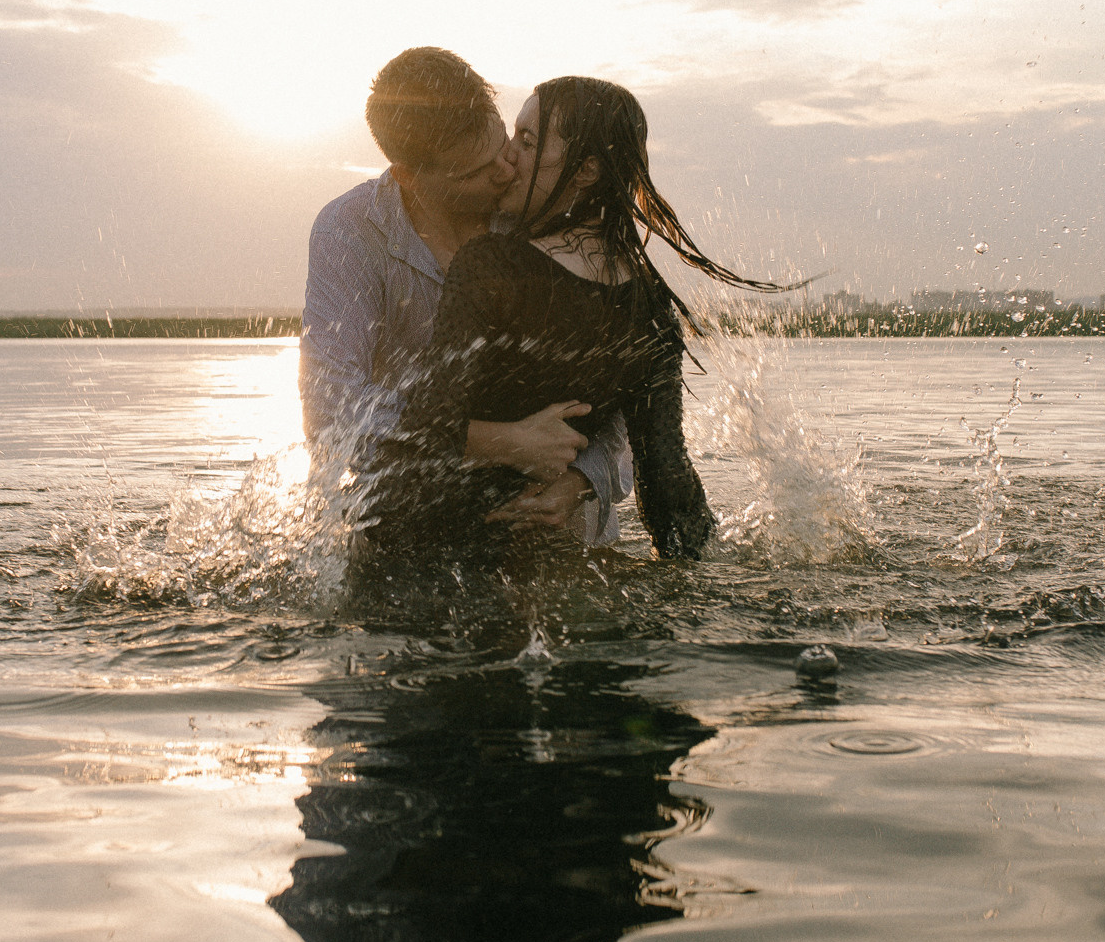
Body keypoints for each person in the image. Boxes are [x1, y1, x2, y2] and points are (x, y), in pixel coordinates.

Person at [353, 74, 795, 572]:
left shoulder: (491, 266)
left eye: (527, 141)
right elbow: (671, 490)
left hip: (421, 557)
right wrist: (699, 577)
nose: (508, 158)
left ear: (585, 171)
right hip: (543, 561)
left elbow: (424, 426)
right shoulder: (650, 308)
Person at [300, 48, 630, 537]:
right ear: (409, 174)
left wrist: (579, 483)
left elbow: (623, 403)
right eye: (476, 170)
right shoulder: (349, 232)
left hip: (554, 519)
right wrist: (499, 442)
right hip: (407, 521)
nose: (505, 170)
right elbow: (332, 412)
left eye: (504, 145)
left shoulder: (544, 219)